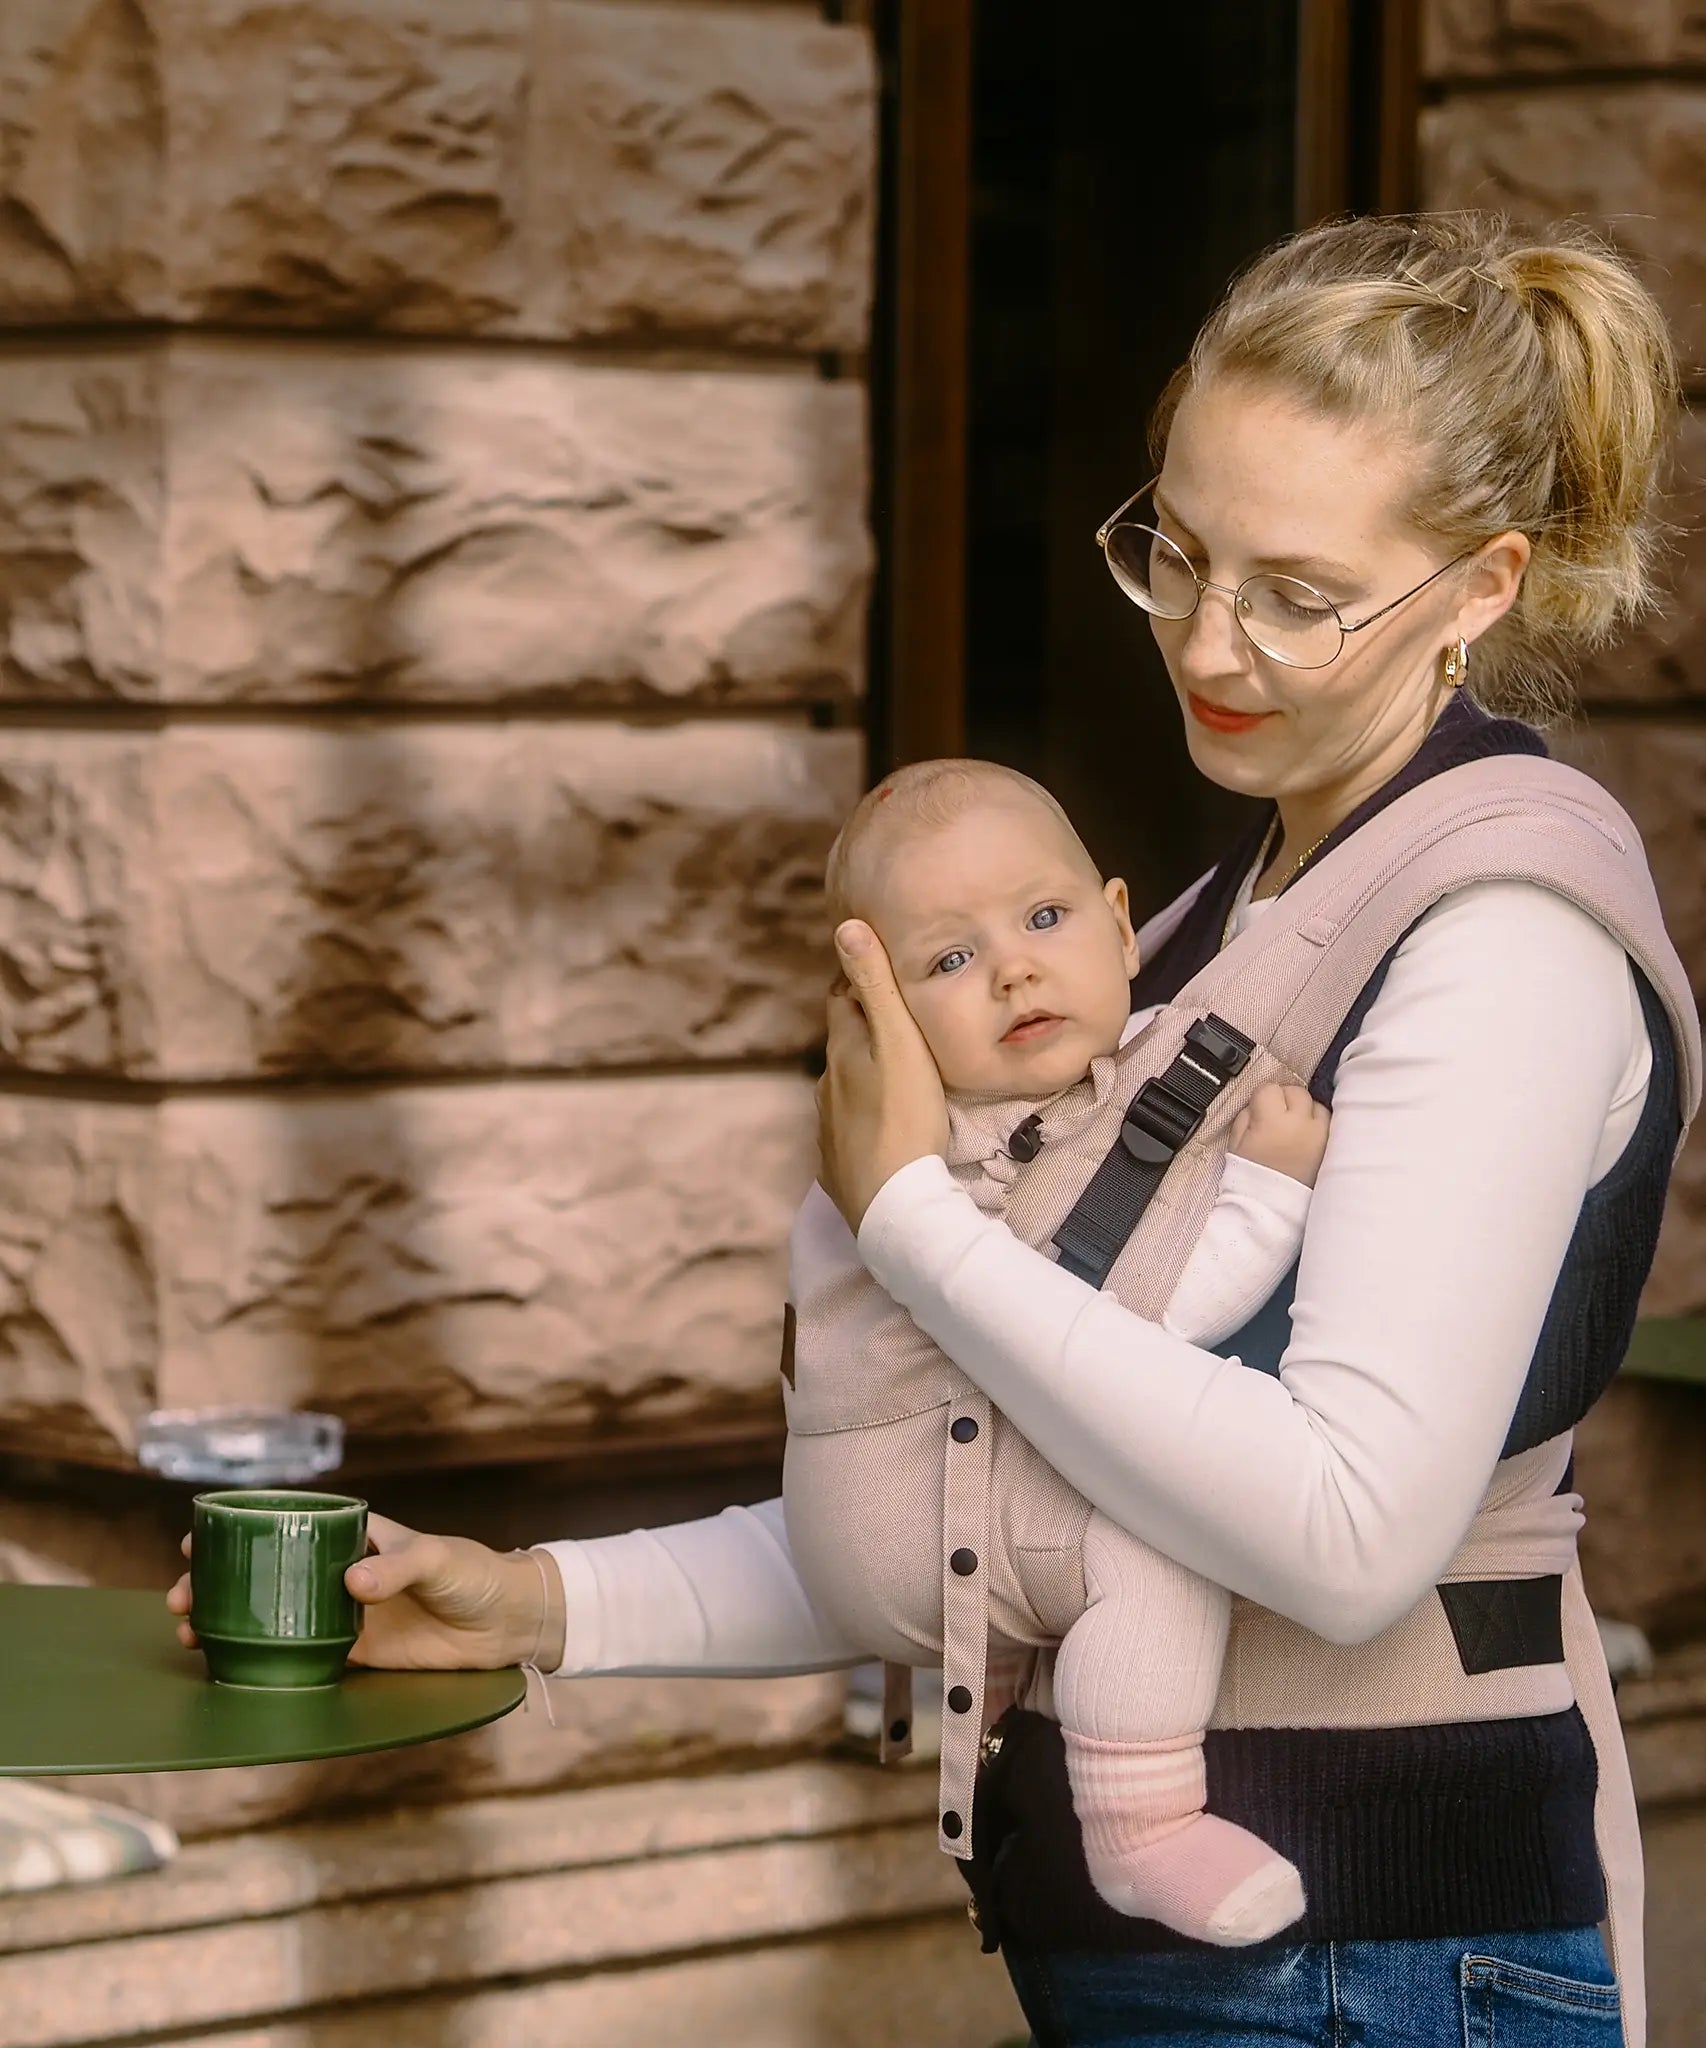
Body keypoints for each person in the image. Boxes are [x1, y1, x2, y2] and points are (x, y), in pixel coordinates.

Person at [169, 212, 1701, 2047]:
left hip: (1367, 1960)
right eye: (1180, 552)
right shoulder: (1210, 931)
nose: (1208, 640)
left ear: (1479, 587)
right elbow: (982, 1479)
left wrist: (909, 1216)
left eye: (1299, 592)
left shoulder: (1500, 940)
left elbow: (1347, 1526)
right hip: (1240, 1968)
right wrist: (537, 1601)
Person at [784, 755, 1330, 1946]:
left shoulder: (919, 1133)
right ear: (878, 1013)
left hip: (868, 1526)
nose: (1014, 967)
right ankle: (1139, 1830)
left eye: (1042, 917)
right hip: (930, 1516)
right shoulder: (943, 1159)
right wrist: (1265, 1196)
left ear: (1124, 923)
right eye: (947, 959)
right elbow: (1127, 1343)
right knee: (1160, 1527)